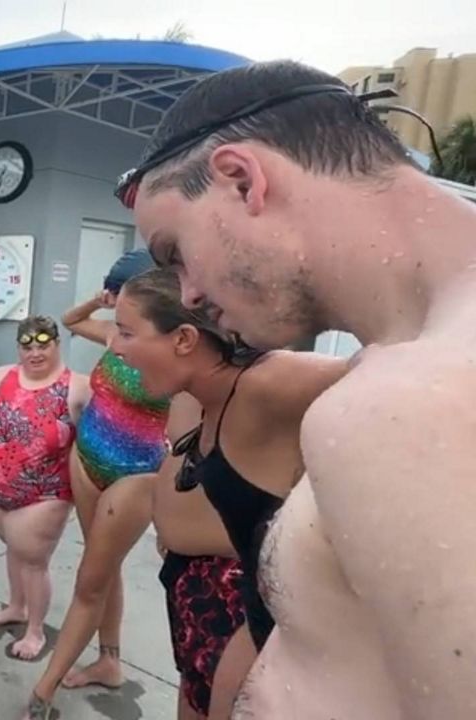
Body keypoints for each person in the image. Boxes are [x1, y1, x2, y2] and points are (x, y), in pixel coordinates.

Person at [120, 59, 476, 719]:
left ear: (239, 178)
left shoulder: (412, 401)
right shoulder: (405, 365)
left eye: (174, 252)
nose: (189, 293)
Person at [106, 268, 342, 719]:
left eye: (125, 332)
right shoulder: (202, 391)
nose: (114, 346)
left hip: (262, 634)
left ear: (183, 339)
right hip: (208, 612)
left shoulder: (266, 381)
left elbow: (406, 375)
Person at [45, 249, 182, 690]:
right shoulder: (114, 336)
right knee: (104, 566)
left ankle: (71, 674)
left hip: (133, 479)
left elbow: (186, 439)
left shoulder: (172, 357)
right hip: (86, 461)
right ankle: (109, 660)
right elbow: (68, 320)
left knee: (96, 571)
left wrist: (171, 514)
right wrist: (98, 302)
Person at [0, 316, 89, 660]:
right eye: (27, 346)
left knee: (33, 561)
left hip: (44, 495)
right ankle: (16, 607)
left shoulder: (77, 388)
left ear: (57, 344)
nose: (34, 353)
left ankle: (35, 631)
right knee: (15, 550)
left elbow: (98, 443)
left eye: (43, 345)